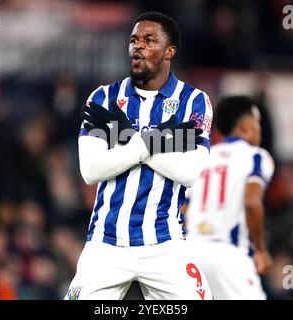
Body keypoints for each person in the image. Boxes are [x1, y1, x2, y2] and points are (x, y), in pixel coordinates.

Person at [65, 11, 213, 300]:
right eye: (134, 40)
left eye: (149, 40)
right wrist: (157, 141)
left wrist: (130, 138)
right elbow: (91, 170)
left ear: (169, 51)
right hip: (106, 244)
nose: (138, 46)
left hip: (164, 244)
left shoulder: (194, 101)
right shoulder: (103, 98)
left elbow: (189, 173)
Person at [185, 96, 274, 300]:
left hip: (191, 254)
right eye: (256, 123)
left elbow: (182, 209)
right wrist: (260, 249)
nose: (259, 129)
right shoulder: (256, 156)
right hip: (229, 255)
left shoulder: (202, 158)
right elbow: (252, 202)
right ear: (245, 127)